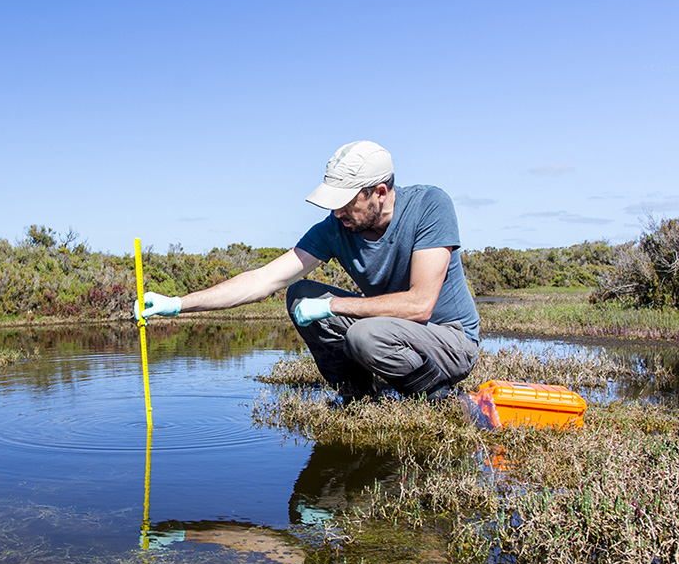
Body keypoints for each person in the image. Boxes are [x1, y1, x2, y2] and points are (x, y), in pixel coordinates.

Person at [137, 141, 480, 401]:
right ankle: (357, 396)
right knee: (300, 293)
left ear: (379, 192)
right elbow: (263, 279)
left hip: (449, 337)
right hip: (390, 330)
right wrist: (178, 303)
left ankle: (436, 397)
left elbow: (419, 305)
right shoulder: (336, 227)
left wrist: (333, 306)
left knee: (365, 335)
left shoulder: (430, 206)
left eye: (346, 202)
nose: (337, 212)